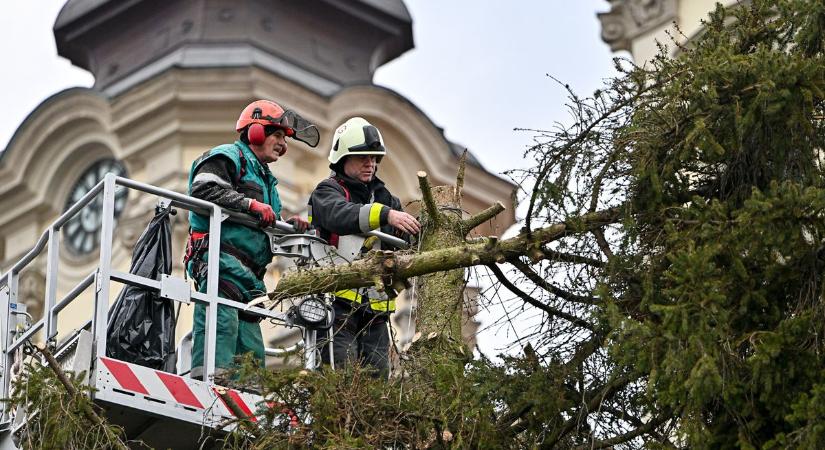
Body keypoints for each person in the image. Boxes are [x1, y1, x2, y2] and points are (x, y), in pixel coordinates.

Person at [185, 99, 319, 379]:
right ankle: (209, 384)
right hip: (220, 262)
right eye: (278, 135)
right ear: (256, 131)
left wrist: (289, 225)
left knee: (251, 351)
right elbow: (202, 190)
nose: (283, 145)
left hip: (251, 281)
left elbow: (269, 224)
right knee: (220, 328)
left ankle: (247, 397)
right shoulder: (228, 156)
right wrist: (249, 205)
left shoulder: (268, 182)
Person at [308, 117, 421, 375]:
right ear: (343, 159)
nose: (370, 163)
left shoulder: (387, 198)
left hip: (376, 315)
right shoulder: (327, 192)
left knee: (377, 385)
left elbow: (407, 245)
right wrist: (384, 215)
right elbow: (339, 214)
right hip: (336, 308)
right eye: (362, 157)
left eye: (374, 158)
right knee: (340, 378)